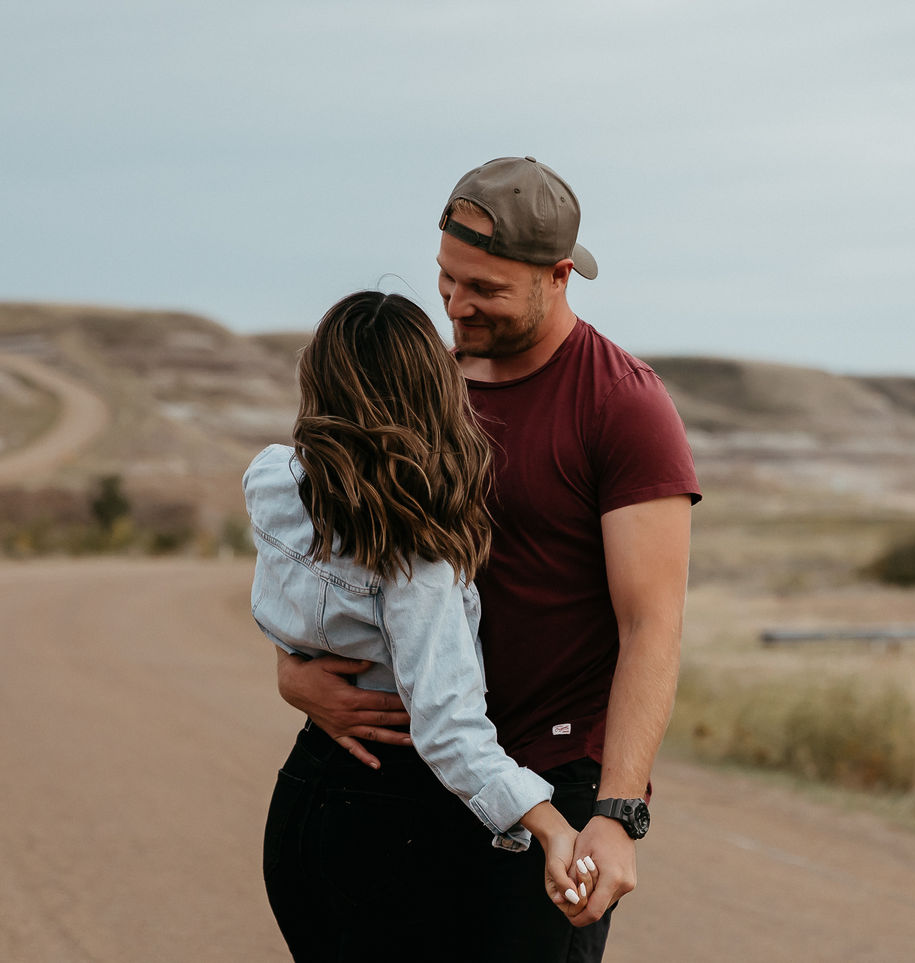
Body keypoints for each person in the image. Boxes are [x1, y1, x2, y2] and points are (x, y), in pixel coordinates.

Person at [276, 157, 702, 962]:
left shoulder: (622, 405)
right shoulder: (418, 385)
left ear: (558, 275)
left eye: (485, 290)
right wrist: (290, 667)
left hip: (547, 772)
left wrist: (615, 812)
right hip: (403, 765)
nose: (455, 305)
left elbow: (652, 625)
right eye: (446, 279)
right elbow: (319, 539)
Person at [245, 291, 596, 962]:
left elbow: (284, 605)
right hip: (386, 818)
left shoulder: (270, 479)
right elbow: (448, 726)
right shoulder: (412, 554)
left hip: (304, 799)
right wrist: (550, 827)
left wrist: (293, 669)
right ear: (431, 395)